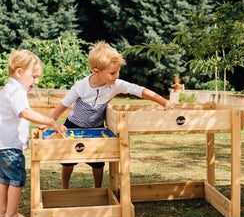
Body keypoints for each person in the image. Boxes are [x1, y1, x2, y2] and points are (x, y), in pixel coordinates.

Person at [50, 40, 172, 189]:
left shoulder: (115, 85)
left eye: (118, 71)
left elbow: (140, 90)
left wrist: (163, 102)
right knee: (68, 159)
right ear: (96, 71)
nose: (116, 75)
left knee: (98, 161)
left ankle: (98, 189)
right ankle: (65, 189)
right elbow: (63, 105)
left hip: (96, 128)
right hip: (73, 126)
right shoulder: (81, 86)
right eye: (112, 73)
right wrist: (50, 122)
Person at [0, 49, 67, 217]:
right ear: (19, 72)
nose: (36, 81)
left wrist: (38, 124)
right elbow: (25, 113)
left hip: (0, 145)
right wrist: (51, 121)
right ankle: (11, 214)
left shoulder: (8, 89)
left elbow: (16, 117)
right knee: (17, 178)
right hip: (10, 147)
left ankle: (2, 211)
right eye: (34, 76)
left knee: (4, 178)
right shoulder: (16, 91)